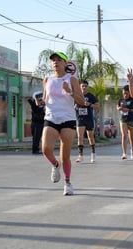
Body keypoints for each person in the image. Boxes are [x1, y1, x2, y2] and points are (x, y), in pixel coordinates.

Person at [41, 52, 86, 196]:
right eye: (53, 60)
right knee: (46, 148)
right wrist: (39, 102)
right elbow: (45, 98)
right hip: (51, 117)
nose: (55, 62)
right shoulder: (47, 79)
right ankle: (55, 165)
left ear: (65, 63)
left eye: (59, 60)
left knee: (65, 155)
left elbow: (82, 101)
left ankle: (67, 183)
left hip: (67, 119)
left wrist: (70, 92)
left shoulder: (71, 79)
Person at [74, 80, 99, 163]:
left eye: (85, 86)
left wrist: (90, 105)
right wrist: (75, 107)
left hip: (89, 119)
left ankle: (93, 154)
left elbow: (97, 106)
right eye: (82, 86)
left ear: (87, 87)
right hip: (80, 119)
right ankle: (80, 156)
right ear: (80, 87)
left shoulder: (91, 96)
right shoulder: (76, 96)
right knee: (80, 137)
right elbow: (71, 106)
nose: (84, 87)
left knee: (90, 137)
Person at [117, 84, 133, 160]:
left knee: (131, 136)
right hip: (123, 119)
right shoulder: (120, 100)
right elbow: (117, 107)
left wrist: (129, 110)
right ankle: (124, 153)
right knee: (124, 135)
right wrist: (119, 108)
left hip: (131, 119)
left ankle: (132, 151)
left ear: (129, 93)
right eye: (123, 93)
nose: (125, 95)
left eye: (126, 93)